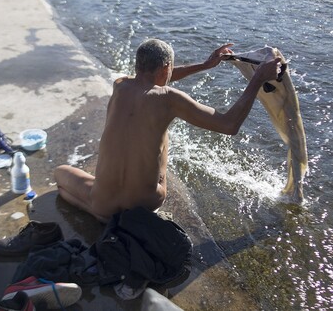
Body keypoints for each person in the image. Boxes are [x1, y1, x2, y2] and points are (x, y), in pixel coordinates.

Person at [54, 39, 281, 222]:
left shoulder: (120, 84)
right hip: (146, 202)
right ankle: (118, 216)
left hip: (103, 202)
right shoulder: (169, 99)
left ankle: (101, 214)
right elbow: (229, 125)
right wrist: (258, 78)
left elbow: (157, 78)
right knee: (161, 131)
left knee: (60, 175)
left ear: (138, 66)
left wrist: (204, 65)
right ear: (166, 68)